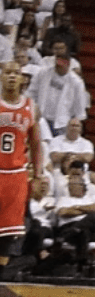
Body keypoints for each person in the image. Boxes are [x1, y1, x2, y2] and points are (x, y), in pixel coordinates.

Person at [0, 62, 32, 278]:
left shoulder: (31, 106)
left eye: (16, 73)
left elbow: (37, 143)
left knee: (7, 235)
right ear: (1, 76)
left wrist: (38, 173)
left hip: (16, 175)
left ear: (22, 79)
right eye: (8, 72)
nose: (12, 76)